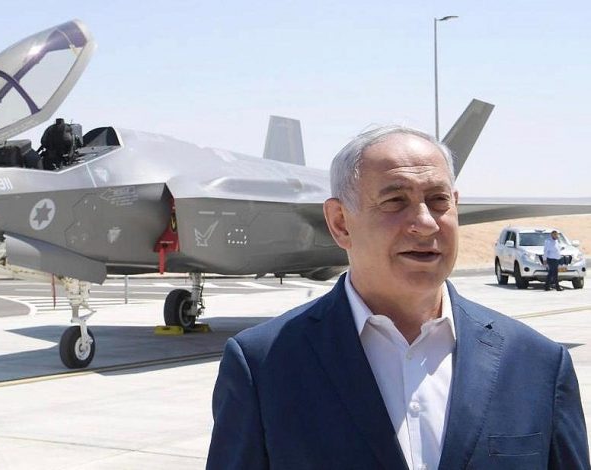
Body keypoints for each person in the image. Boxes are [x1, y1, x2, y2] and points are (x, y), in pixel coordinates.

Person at [206, 126, 588, 469]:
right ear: (340, 223)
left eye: (439, 200)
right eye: (395, 201)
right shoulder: (264, 367)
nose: (425, 223)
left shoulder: (537, 365)